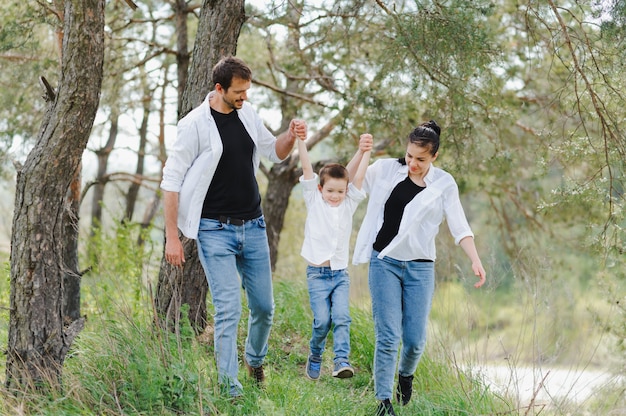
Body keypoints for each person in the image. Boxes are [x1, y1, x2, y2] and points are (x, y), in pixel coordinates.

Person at [160, 56, 307, 398]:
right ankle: (230, 388)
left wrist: (290, 133)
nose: (244, 97)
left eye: (247, 91)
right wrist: (172, 237)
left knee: (264, 308)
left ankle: (254, 361)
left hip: (253, 225)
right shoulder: (194, 124)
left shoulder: (248, 113)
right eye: (238, 92)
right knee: (229, 308)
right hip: (214, 230)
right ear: (219, 89)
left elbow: (275, 152)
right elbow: (171, 181)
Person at [348, 121, 486, 416]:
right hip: (384, 262)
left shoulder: (444, 184)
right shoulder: (387, 169)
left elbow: (460, 226)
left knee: (414, 342)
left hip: (420, 268)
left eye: (420, 159)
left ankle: (405, 375)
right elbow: (349, 181)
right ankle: (384, 402)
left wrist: (475, 259)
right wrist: (361, 153)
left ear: (434, 156)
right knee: (388, 335)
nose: (412, 163)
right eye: (409, 155)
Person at [297, 134, 372, 381]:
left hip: (340, 274)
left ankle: (341, 360)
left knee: (342, 318)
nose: (335, 195)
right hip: (317, 276)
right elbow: (307, 168)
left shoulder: (348, 204)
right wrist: (300, 141)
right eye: (330, 190)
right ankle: (316, 354)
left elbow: (356, 178)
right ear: (320, 189)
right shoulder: (314, 200)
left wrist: (365, 151)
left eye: (340, 191)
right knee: (322, 322)